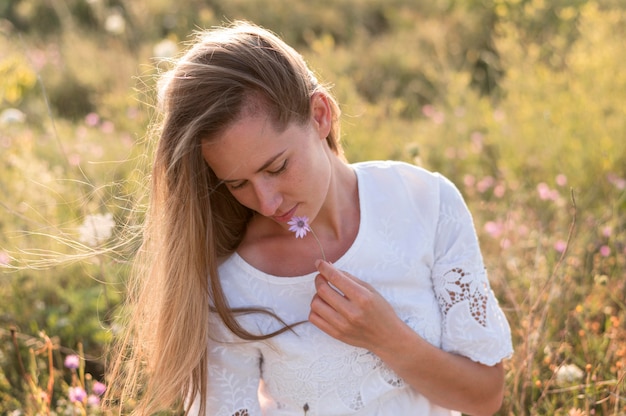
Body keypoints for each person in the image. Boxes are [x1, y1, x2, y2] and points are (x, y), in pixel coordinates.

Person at [105, 20, 513, 416]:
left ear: (320, 115)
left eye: (277, 167)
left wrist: (386, 337)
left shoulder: (425, 202)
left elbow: (485, 395)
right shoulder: (229, 283)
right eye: (237, 184)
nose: (266, 203)